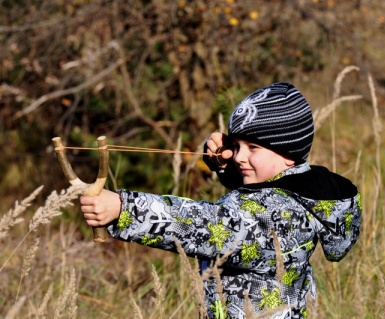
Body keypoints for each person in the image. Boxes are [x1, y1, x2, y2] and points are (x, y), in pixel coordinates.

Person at [80, 82, 362, 319]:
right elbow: (262, 194)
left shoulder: (282, 217)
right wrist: (229, 168)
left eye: (252, 147)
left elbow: (210, 226)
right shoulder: (300, 193)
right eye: (236, 146)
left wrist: (123, 208)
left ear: (287, 153)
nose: (239, 156)